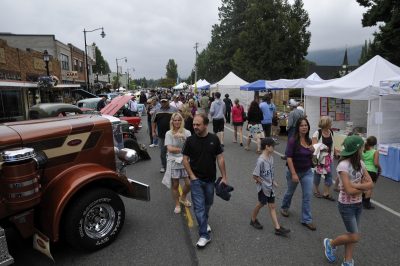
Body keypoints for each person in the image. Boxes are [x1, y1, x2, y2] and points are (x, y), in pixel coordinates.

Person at [323, 135, 373, 266]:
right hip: (346, 206)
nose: (363, 149)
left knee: (352, 233)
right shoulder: (343, 166)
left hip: (358, 203)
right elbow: (349, 191)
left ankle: (348, 260)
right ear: (357, 150)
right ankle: (330, 243)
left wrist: (355, 185)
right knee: (355, 236)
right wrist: (362, 187)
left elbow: (371, 184)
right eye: (361, 148)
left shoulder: (360, 163)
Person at [182, 113, 229, 248]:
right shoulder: (190, 140)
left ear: (205, 125)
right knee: (199, 208)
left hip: (210, 180)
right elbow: (185, 159)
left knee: (208, 204)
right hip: (196, 180)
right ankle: (204, 235)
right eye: (194, 124)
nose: (195, 127)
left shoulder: (214, 139)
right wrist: (192, 176)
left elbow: (220, 158)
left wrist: (224, 177)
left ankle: (204, 221)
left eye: (198, 124)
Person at [280, 118, 316, 231]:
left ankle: (306, 219)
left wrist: (313, 151)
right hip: (293, 171)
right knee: (290, 192)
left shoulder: (309, 141)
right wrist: (294, 174)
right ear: (298, 127)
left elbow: (312, 157)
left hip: (307, 172)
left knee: (307, 195)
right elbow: (289, 158)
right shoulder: (292, 141)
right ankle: (284, 207)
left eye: (306, 125)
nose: (304, 127)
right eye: (302, 125)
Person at [250, 137, 291, 236]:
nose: (274, 148)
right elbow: (255, 175)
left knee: (272, 206)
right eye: (273, 146)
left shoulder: (271, 158)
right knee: (261, 204)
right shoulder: (261, 161)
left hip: (270, 187)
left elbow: (270, 172)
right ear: (267, 147)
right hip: (263, 189)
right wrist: (263, 182)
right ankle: (253, 219)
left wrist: (272, 181)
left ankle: (277, 228)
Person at [164, 112, 192, 214]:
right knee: (175, 185)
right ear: (172, 121)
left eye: (179, 120)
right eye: (175, 120)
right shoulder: (169, 133)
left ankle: (183, 197)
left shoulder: (187, 132)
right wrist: (183, 149)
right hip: (174, 161)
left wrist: (184, 137)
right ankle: (177, 203)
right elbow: (170, 149)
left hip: (185, 161)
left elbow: (192, 146)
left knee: (189, 184)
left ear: (182, 121)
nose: (177, 122)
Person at [312, 116, 339, 201]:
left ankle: (326, 193)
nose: (331, 124)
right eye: (330, 123)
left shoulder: (331, 132)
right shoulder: (317, 133)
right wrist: (323, 148)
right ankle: (316, 189)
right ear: (326, 124)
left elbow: (333, 143)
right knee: (318, 174)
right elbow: (314, 147)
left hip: (329, 158)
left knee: (329, 175)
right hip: (319, 158)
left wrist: (335, 151)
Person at [152, 97, 177, 173]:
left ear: (168, 101)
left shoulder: (174, 110)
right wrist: (153, 131)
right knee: (163, 152)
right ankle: (164, 166)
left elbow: (179, 120)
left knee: (172, 151)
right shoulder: (157, 110)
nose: (163, 103)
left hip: (173, 134)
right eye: (162, 102)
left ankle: (173, 166)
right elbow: (153, 121)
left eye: (165, 101)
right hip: (161, 135)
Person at [361, 136, 381, 209]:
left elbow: (362, 160)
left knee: (363, 185)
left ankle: (362, 200)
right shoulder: (375, 151)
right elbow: (375, 163)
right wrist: (380, 168)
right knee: (370, 187)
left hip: (364, 169)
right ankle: (366, 203)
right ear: (375, 143)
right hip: (372, 170)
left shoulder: (364, 150)